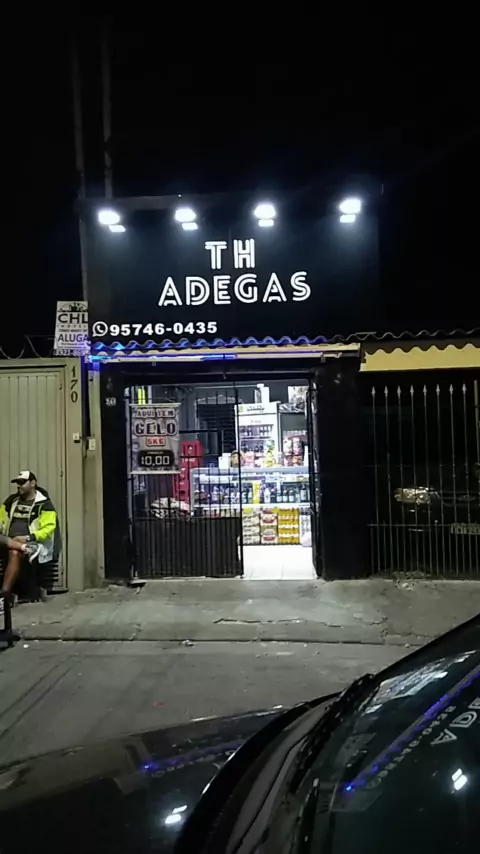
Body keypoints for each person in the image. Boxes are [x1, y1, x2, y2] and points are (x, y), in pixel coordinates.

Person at [0, 471, 58, 608]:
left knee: (14, 553)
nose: (19, 486)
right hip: (8, 539)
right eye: (17, 483)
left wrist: (28, 537)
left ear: (32, 483)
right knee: (13, 548)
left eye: (22, 483)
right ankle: (20, 547)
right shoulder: (12, 501)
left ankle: (4, 596)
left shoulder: (44, 504)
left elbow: (48, 529)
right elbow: (1, 516)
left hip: (33, 542)